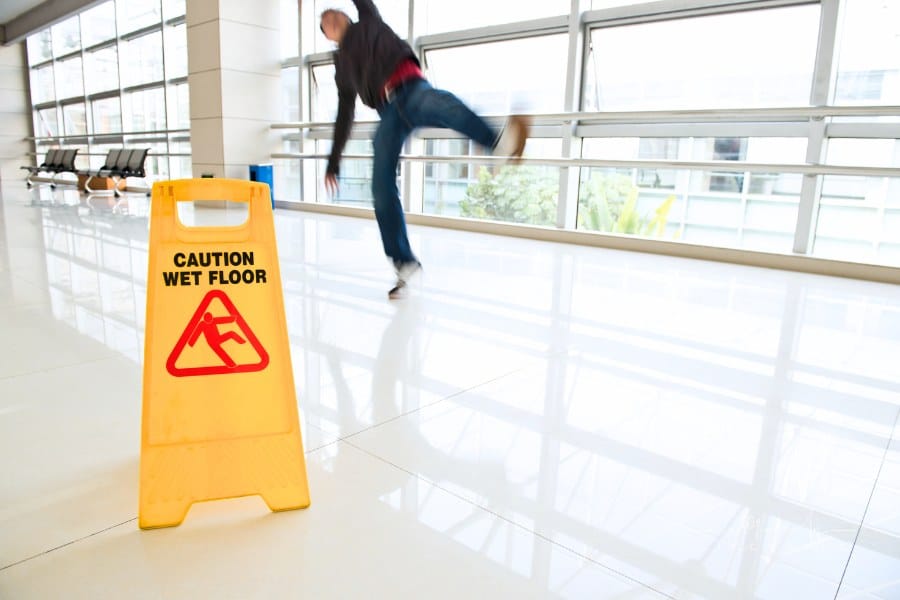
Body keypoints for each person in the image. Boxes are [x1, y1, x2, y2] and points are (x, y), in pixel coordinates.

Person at [320, 0, 530, 299]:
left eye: (334, 14)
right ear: (328, 36)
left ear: (346, 14)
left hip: (411, 88)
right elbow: (345, 115)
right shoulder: (341, 68)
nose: (331, 19)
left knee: (442, 105)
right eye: (326, 23)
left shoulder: (368, 20)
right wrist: (333, 162)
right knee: (380, 184)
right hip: (389, 112)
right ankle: (403, 261)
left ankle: (498, 144)